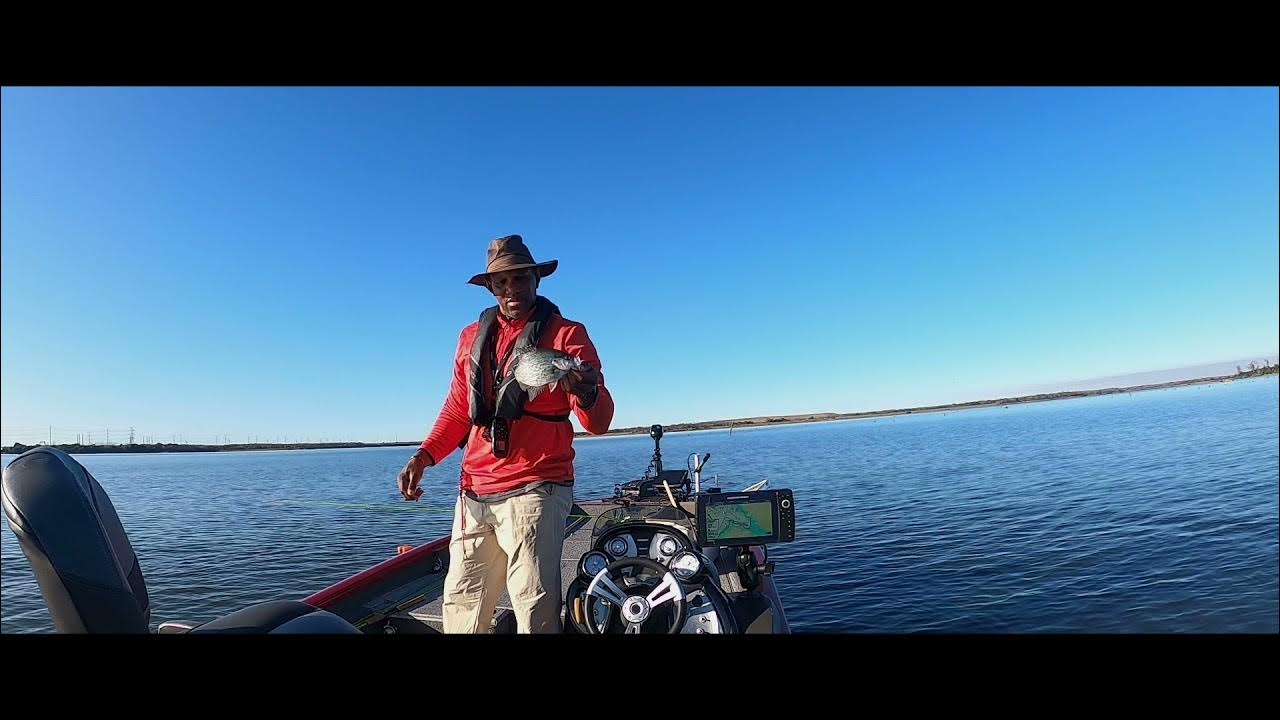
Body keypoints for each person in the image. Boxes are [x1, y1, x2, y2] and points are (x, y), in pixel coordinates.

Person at [397, 234, 614, 633]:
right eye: (502, 282)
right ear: (491, 287)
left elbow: (599, 421)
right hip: (475, 492)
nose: (512, 289)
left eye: (520, 279)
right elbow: (458, 408)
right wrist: (424, 456)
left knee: (533, 603)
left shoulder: (568, 336)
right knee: (462, 602)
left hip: (537, 487)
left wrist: (585, 389)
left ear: (536, 279)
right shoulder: (469, 337)